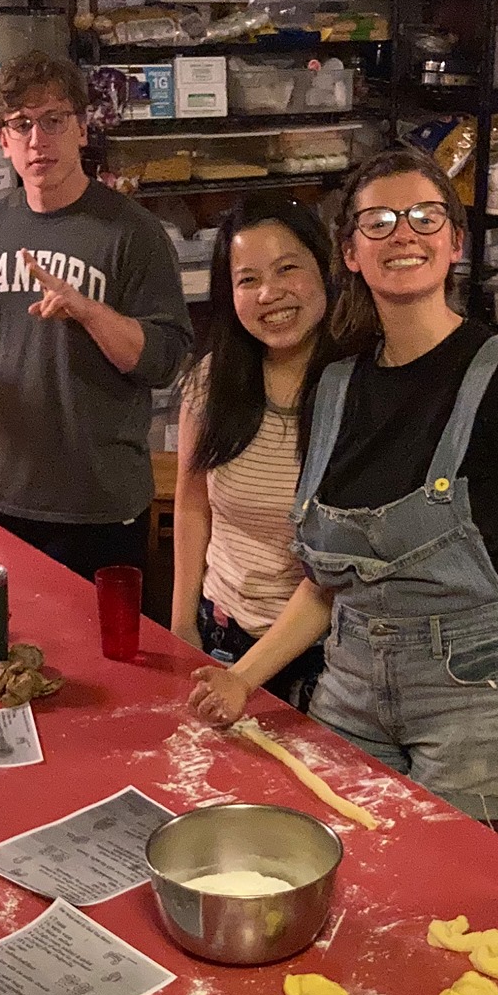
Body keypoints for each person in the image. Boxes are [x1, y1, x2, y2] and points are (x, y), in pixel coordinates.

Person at [189, 150, 498, 838]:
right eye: (380, 221)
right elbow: (329, 583)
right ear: (350, 252)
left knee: (440, 898)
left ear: (455, 242)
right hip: (351, 687)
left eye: (426, 217)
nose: (405, 234)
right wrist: (240, 680)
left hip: (475, 703)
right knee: (338, 877)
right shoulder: (337, 386)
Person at [0, 50, 192, 580]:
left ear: (82, 129)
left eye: (53, 120)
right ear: (3, 140)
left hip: (100, 502)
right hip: (6, 494)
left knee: (102, 659)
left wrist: (89, 312)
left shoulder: (133, 233)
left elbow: (164, 361)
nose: (37, 139)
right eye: (20, 125)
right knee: (16, 655)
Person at [169, 195, 338, 710]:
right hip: (220, 632)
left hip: (326, 660)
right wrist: (180, 627)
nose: (270, 294)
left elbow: (337, 575)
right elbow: (192, 503)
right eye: (248, 279)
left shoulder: (358, 392)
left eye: (288, 269)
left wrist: (246, 678)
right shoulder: (212, 380)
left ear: (327, 269)